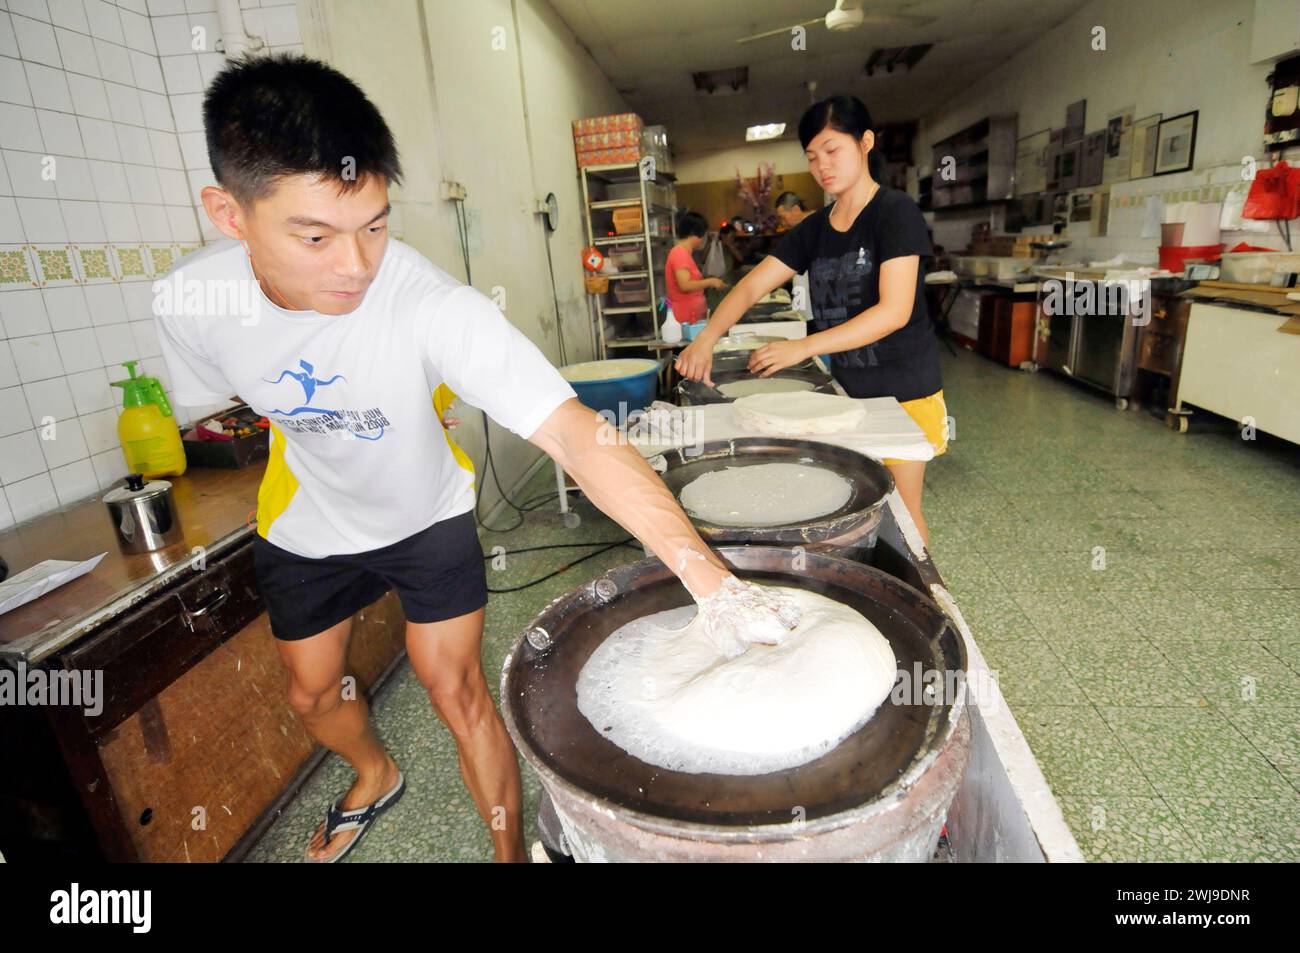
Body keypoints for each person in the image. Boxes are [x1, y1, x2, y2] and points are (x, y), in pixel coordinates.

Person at [154, 54, 798, 863]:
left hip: (427, 513)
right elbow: (233, 413)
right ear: (228, 212)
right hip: (305, 518)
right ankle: (374, 772)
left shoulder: (430, 306)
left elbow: (575, 434)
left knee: (454, 688)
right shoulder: (190, 303)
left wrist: (713, 583)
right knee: (313, 694)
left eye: (375, 225)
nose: (355, 267)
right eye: (315, 236)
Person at [676, 94, 947, 545]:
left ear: (865, 143)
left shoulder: (895, 213)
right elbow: (748, 287)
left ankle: (918, 597)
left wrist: (803, 347)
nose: (823, 165)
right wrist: (706, 338)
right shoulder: (813, 230)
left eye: (833, 150)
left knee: (900, 509)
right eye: (812, 156)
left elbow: (894, 312)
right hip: (843, 395)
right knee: (852, 507)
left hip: (905, 391)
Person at [664, 211, 725, 325]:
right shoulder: (679, 253)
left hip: (692, 316)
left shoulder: (685, 253)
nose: (703, 240)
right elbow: (685, 285)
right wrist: (710, 282)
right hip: (685, 317)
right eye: (703, 235)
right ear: (695, 234)